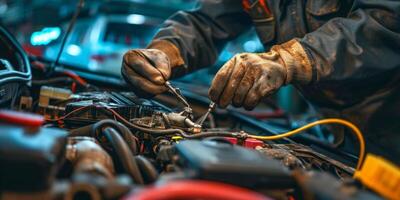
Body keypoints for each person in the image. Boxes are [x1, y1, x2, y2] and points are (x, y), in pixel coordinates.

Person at [121, 0, 400, 164]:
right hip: (333, 128)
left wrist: (290, 60)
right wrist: (165, 51)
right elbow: (205, 21)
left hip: (390, 123)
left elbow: (383, 23)